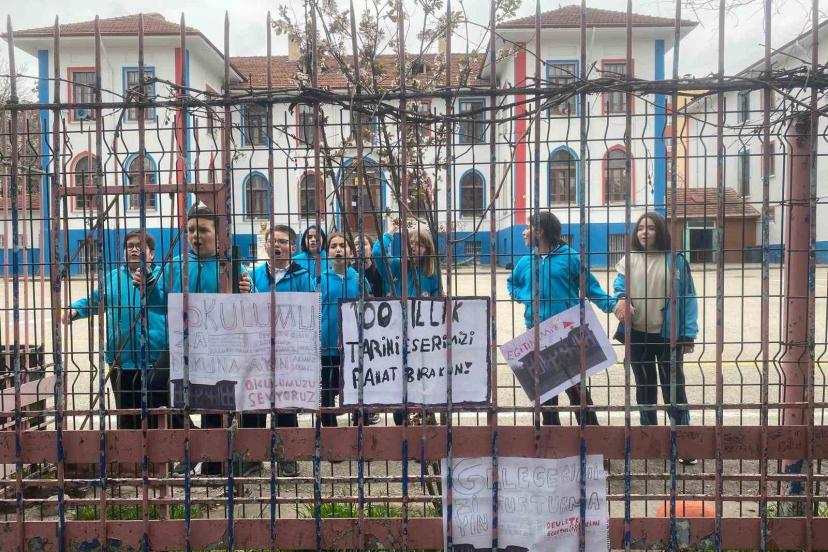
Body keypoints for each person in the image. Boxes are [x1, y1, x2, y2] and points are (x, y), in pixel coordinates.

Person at [140, 203, 253, 476]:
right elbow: (159, 304)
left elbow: (250, 304)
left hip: (219, 346)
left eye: (203, 230)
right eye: (191, 230)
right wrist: (147, 286)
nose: (195, 236)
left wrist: (248, 289)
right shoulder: (177, 264)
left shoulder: (230, 264)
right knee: (156, 384)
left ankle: (213, 461)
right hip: (183, 342)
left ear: (218, 235)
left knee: (214, 399)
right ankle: (192, 443)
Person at [507, 211, 628, 426]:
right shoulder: (525, 261)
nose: (524, 233)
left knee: (577, 390)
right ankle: (551, 438)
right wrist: (524, 296)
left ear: (540, 231)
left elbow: (590, 287)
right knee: (545, 393)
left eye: (527, 228)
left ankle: (590, 435)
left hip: (567, 335)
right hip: (536, 334)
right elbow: (512, 283)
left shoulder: (570, 258)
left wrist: (613, 305)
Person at [612, 212, 698, 463]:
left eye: (650, 228)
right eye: (640, 228)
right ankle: (650, 442)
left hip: (668, 335)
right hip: (638, 335)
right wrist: (622, 298)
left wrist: (688, 333)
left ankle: (683, 444)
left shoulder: (676, 260)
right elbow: (619, 287)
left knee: (674, 390)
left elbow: (688, 297)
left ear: (660, 231)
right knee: (645, 390)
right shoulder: (629, 260)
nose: (644, 232)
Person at [64, 230, 167, 430]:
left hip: (155, 360)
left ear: (151, 253)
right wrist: (74, 310)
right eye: (130, 246)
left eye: (139, 246)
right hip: (121, 360)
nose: (134, 250)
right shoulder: (113, 278)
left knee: (158, 418)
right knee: (127, 418)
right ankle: (129, 451)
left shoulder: (162, 276)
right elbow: (95, 300)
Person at [250, 224, 316, 476]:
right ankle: (253, 456)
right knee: (254, 402)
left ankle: (287, 455)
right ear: (265, 245)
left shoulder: (303, 276)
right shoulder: (252, 275)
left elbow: (309, 312)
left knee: (286, 404)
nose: (276, 245)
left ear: (292, 247)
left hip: (289, 350)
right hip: (257, 349)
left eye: (283, 241)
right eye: (272, 241)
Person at [372, 219, 441, 425]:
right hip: (397, 334)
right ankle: (401, 421)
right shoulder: (396, 267)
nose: (414, 247)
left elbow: (438, 302)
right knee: (400, 379)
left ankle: (424, 417)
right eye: (411, 243)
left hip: (423, 338)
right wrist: (390, 232)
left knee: (422, 378)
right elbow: (377, 253)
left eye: (419, 244)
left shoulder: (431, 274)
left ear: (427, 249)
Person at [319, 232, 371, 428]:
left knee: (357, 385)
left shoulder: (359, 279)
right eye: (333, 246)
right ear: (328, 253)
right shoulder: (320, 279)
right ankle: (329, 430)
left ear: (350, 252)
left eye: (342, 245)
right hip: (327, 343)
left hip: (354, 344)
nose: (338, 249)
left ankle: (360, 427)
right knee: (327, 389)